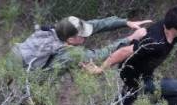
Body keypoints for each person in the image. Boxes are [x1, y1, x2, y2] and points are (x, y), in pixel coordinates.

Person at [16, 16, 151, 71]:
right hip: (28, 86)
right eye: (82, 36)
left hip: (15, 57)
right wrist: (130, 39)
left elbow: (97, 25)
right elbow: (99, 55)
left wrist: (125, 22)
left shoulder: (60, 29)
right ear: (70, 40)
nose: (85, 37)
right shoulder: (68, 54)